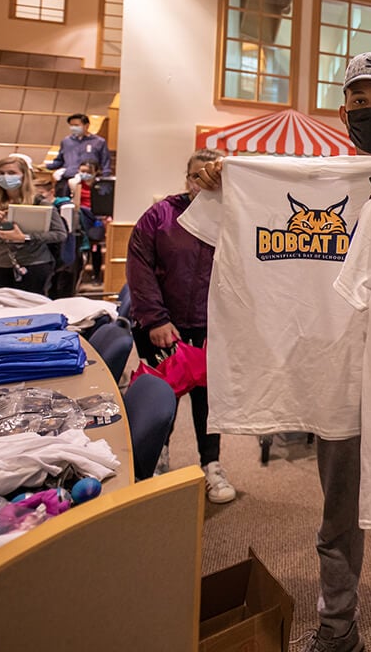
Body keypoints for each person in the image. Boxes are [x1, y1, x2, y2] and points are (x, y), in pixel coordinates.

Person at [192, 51, 371, 652]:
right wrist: (223, 181)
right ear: (343, 112)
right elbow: (229, 215)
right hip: (341, 375)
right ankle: (338, 632)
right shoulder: (308, 180)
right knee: (339, 515)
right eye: (360, 101)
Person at [126, 148, 235, 504]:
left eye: (212, 176)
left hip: (211, 330)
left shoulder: (235, 218)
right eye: (195, 175)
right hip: (162, 327)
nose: (202, 182)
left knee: (210, 404)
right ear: (185, 177)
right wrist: (155, 319)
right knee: (163, 399)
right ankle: (159, 459)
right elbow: (139, 268)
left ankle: (212, 466)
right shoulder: (160, 216)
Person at [0, 155, 67, 294]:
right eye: (1, 173)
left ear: (24, 176)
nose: (6, 177)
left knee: (29, 311)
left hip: (34, 265)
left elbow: (60, 234)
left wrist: (25, 237)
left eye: (11, 173)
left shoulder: (39, 202)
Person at [48, 113, 112, 182]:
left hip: (88, 179)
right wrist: (47, 166)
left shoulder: (99, 142)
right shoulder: (66, 141)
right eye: (71, 125)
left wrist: (105, 178)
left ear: (86, 126)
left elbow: (105, 162)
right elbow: (60, 160)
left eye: (76, 125)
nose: (73, 128)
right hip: (68, 177)